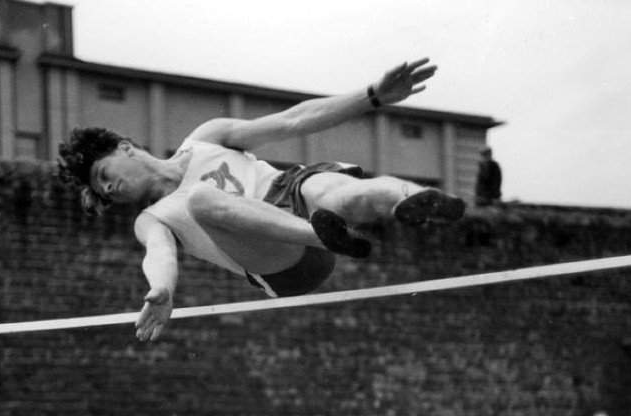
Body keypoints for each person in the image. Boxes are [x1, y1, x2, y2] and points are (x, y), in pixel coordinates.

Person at [57, 59, 467, 342]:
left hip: (292, 194)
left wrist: (373, 96)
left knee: (344, 193)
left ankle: (418, 200)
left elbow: (292, 121)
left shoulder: (206, 138)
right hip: (282, 260)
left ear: (125, 147)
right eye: (101, 191)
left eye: (103, 175)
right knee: (201, 198)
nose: (108, 189)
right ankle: (324, 235)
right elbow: (159, 255)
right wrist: (161, 289)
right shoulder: (152, 218)